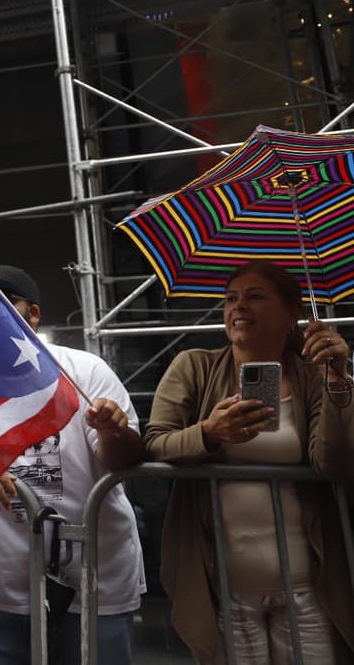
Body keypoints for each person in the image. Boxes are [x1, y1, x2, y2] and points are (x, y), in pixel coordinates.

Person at [0, 264, 145, 665]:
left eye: (1, 305)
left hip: (92, 580)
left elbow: (121, 459)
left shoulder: (83, 369)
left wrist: (113, 431)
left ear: (33, 314)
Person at [144, 260, 354, 663]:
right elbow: (154, 444)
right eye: (231, 298)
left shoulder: (314, 374)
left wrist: (338, 378)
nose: (238, 306)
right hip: (226, 587)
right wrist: (209, 433)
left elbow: (333, 462)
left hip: (309, 584)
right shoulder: (194, 366)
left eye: (256, 296)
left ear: (292, 313)